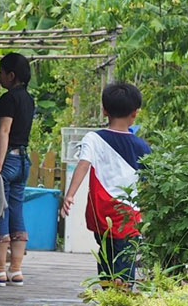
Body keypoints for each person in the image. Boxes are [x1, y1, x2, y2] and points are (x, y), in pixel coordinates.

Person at [60, 82, 149, 283]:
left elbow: (83, 164)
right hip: (129, 216)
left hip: (101, 213)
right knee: (124, 263)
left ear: (104, 110)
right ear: (135, 113)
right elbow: (151, 180)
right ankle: (120, 304)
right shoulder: (141, 145)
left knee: (107, 258)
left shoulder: (93, 138)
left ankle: (110, 298)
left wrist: (70, 194)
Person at [0, 52, 34, 287]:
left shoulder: (9, 99)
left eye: (1, 72)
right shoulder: (28, 99)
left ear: (11, 75)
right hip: (23, 160)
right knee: (17, 210)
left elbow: (3, 131)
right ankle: (16, 270)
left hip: (7, 160)